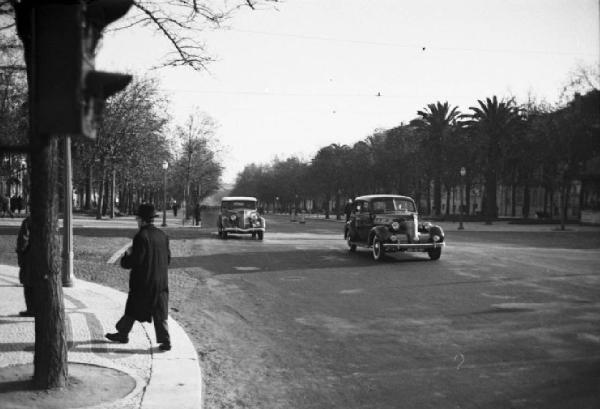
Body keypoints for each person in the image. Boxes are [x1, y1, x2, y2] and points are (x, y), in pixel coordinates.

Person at [105, 203, 172, 351]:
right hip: (161, 281)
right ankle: (165, 341)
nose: (137, 221)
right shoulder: (163, 235)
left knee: (133, 307)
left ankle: (122, 334)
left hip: (144, 281)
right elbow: (168, 259)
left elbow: (135, 261)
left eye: (137, 219)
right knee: (159, 311)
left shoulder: (141, 236)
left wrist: (127, 255)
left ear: (141, 220)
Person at [16, 216, 34, 316]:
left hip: (29, 257)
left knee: (28, 284)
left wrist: (20, 253)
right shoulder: (49, 220)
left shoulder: (28, 221)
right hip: (43, 259)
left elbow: (23, 241)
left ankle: (31, 309)